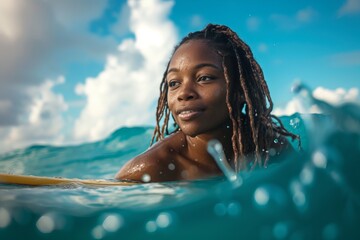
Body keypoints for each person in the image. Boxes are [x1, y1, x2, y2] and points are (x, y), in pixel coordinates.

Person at [115, 24, 299, 183]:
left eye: (204, 78)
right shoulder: (151, 169)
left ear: (240, 91)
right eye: (174, 83)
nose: (184, 93)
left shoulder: (268, 146)